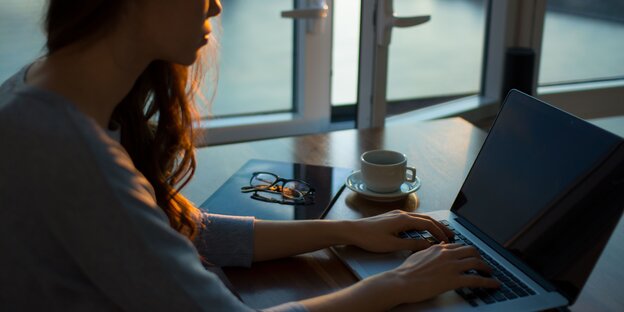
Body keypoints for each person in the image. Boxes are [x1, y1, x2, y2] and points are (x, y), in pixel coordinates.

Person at [0, 0, 499, 311]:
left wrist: (346, 230)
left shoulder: (34, 93)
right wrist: (398, 284)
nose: (215, 6)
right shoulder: (75, 158)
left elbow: (161, 232)